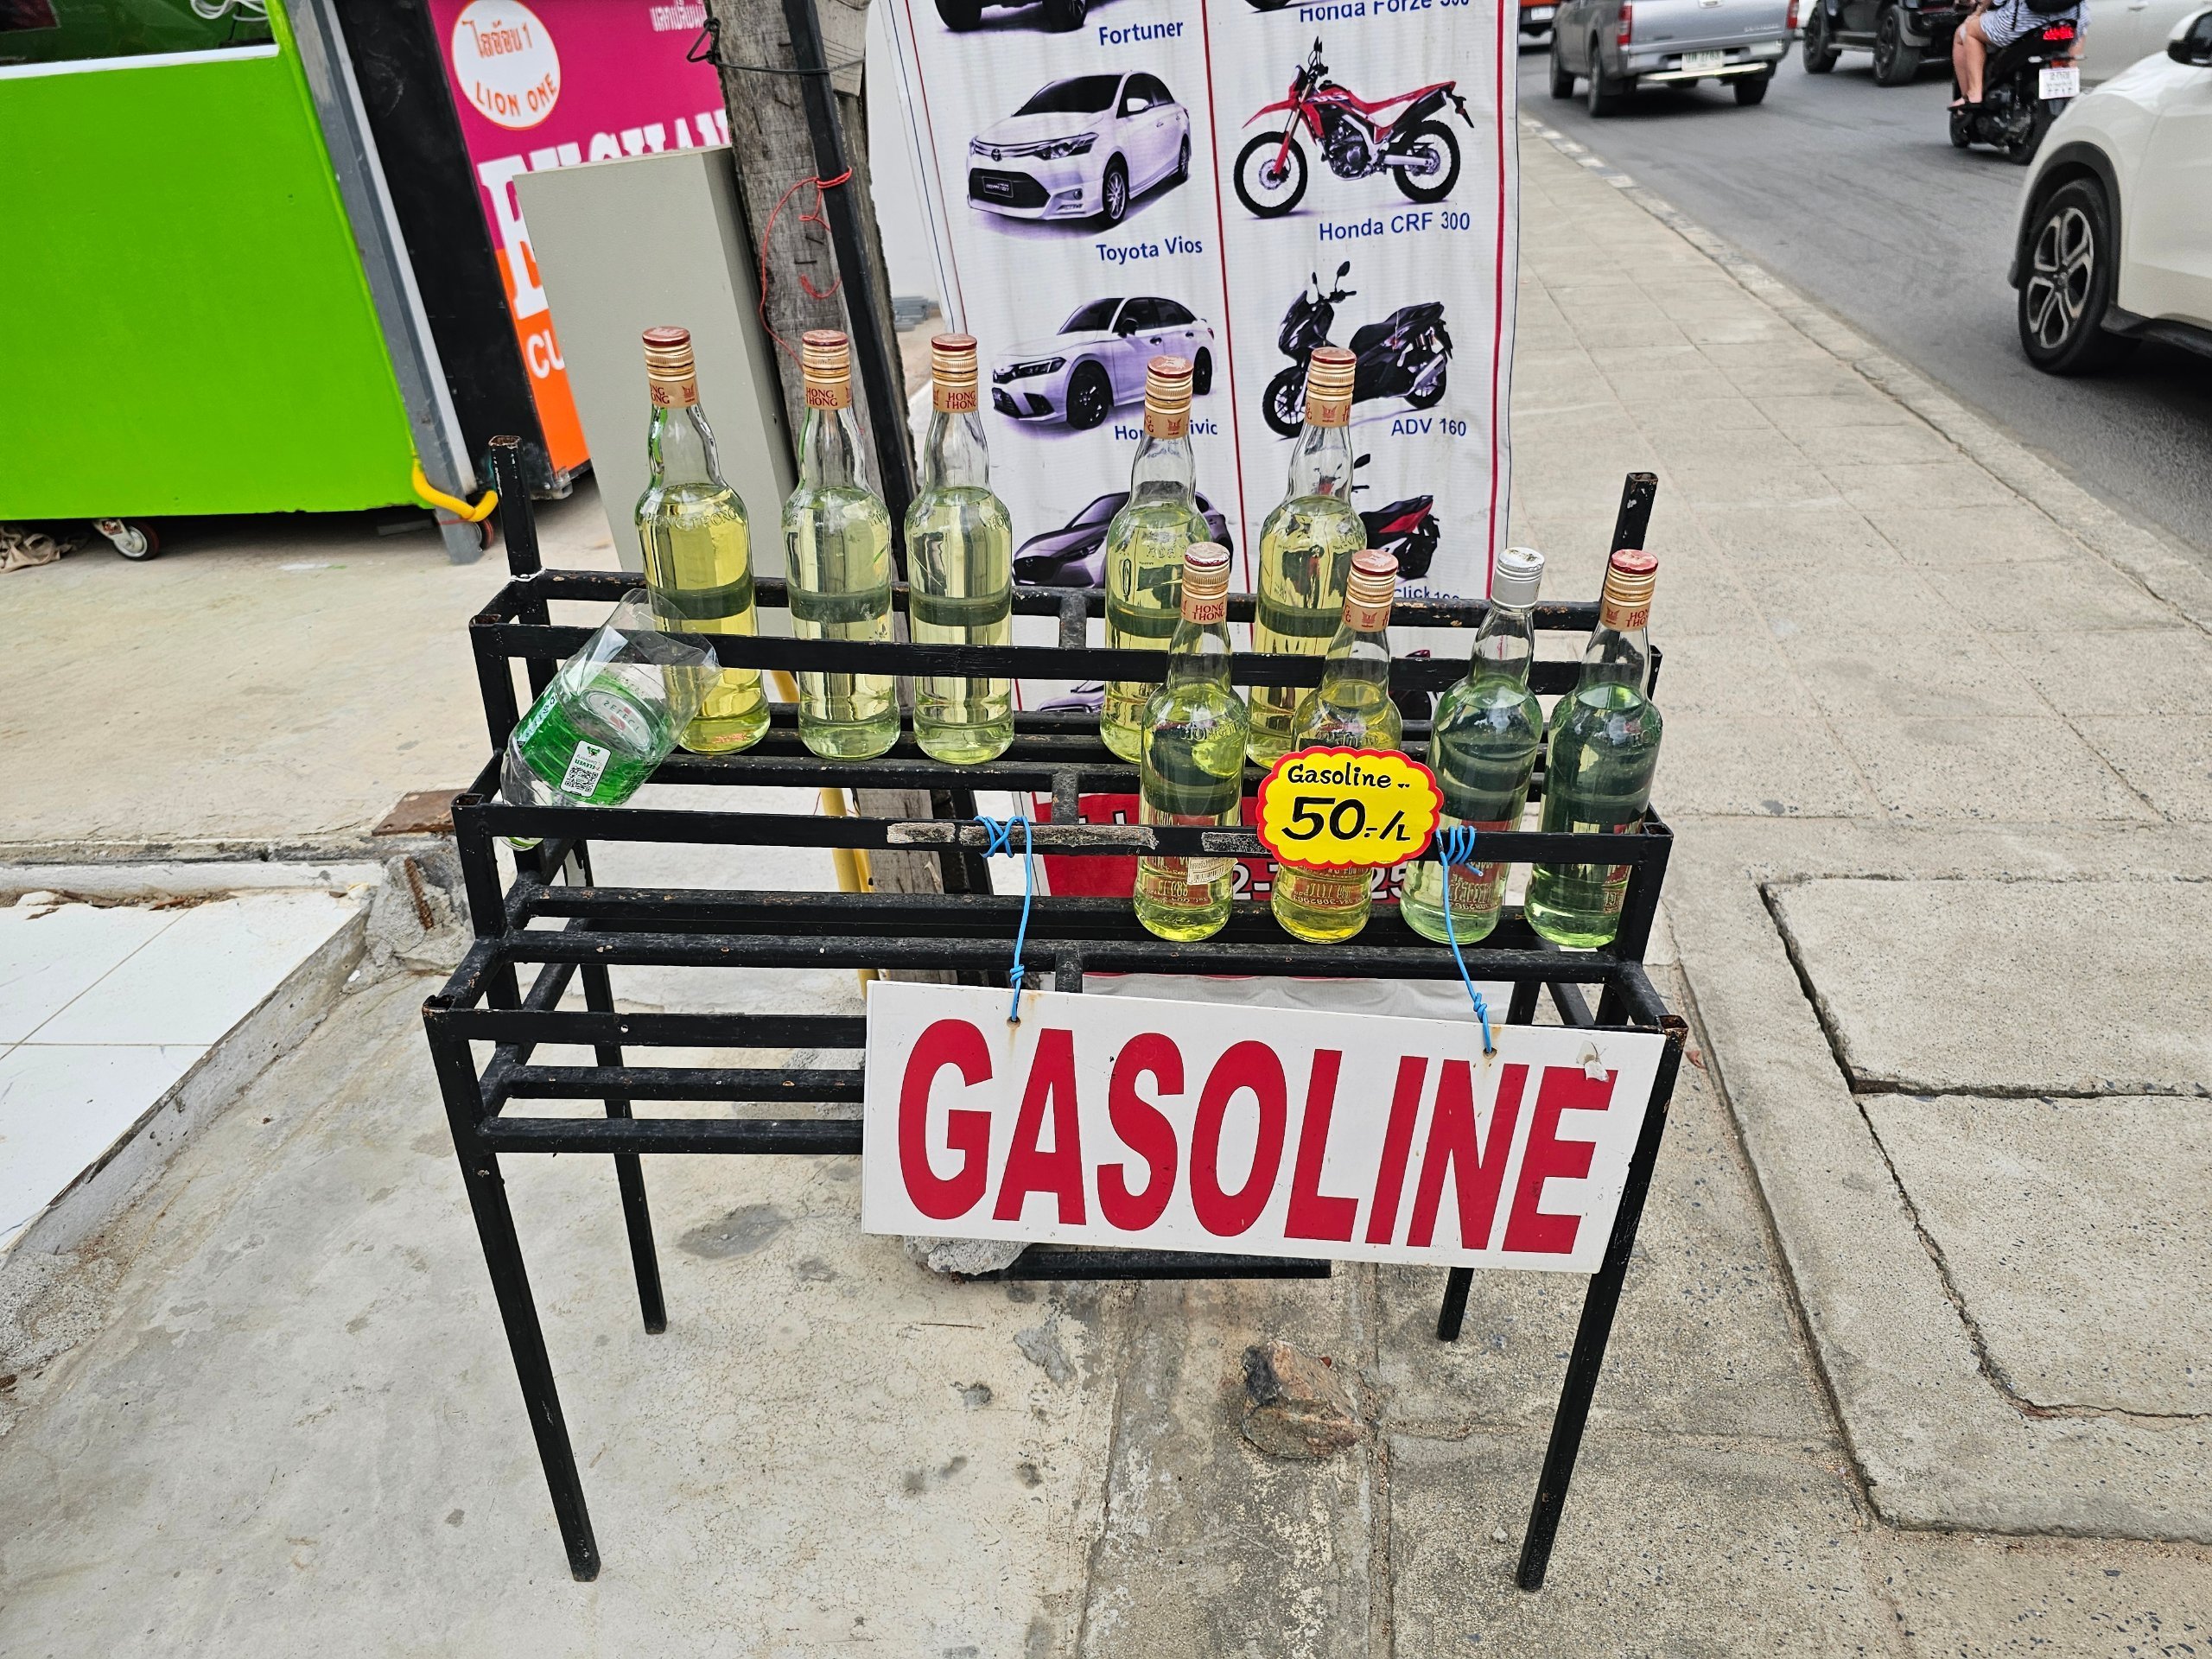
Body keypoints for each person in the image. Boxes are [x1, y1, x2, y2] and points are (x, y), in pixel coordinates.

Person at [1952, 0, 2083, 106]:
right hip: (2070, 20)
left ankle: (1974, 94)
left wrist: (1978, 12)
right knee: (2079, 30)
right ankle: (2071, 88)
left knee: (1970, 30)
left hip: (2024, 22)